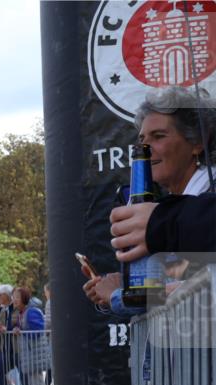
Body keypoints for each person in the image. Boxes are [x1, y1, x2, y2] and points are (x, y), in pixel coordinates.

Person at [84, 87, 216, 310]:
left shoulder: (206, 201)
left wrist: (118, 297)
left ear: (197, 143)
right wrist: (128, 285)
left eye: (158, 136)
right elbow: (167, 292)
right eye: (142, 139)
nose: (146, 147)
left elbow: (198, 291)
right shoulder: (166, 207)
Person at [12, 287, 48, 385]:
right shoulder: (23, 313)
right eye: (14, 297)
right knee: (34, 380)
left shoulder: (32, 311)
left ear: (24, 298)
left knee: (37, 380)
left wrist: (21, 331)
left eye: (17, 297)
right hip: (30, 352)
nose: (14, 300)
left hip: (35, 351)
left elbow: (38, 331)